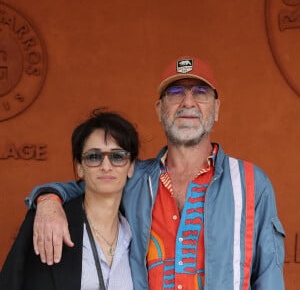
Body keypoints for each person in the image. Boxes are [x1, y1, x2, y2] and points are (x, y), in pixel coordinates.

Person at [23, 56, 285, 289]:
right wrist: (48, 200)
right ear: (160, 110)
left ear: (216, 109)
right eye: (175, 92)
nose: (188, 102)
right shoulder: (136, 178)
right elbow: (88, 184)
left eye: (201, 92)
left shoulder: (251, 182)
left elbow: (269, 276)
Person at [0, 110, 139, 290]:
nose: (106, 166)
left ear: (131, 167)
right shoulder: (48, 223)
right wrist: (48, 199)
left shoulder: (140, 231)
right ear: (80, 168)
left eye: (117, 156)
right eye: (94, 157)